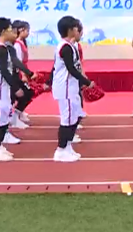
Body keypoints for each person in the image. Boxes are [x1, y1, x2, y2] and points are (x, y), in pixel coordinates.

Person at [51, 16, 93, 163]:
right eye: (76, 28)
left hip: (71, 87)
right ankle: (61, 150)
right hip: (65, 88)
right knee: (67, 119)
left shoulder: (72, 46)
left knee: (74, 117)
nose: (78, 31)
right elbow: (71, 69)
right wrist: (87, 82)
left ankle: (68, 147)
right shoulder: (65, 47)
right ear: (70, 30)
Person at [0, 17, 23, 161]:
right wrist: (16, 88)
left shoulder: (4, 48)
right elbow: (4, 71)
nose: (12, 31)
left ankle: (0, 145)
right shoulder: (0, 49)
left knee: (3, 117)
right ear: (3, 31)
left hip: (3, 89)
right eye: (9, 29)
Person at [12, 20, 46, 124]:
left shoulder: (22, 43)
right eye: (27, 30)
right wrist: (23, 75)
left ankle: (19, 113)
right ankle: (15, 116)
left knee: (28, 93)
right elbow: (18, 61)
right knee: (27, 93)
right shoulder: (17, 44)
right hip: (19, 72)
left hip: (24, 70)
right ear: (21, 30)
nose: (28, 33)